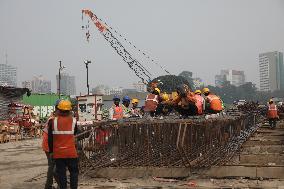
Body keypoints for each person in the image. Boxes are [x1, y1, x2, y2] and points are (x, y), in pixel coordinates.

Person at [48, 100, 79, 189]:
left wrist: (51, 152)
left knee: (61, 174)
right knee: (74, 173)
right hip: (71, 153)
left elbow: (50, 139)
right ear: (69, 110)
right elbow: (75, 132)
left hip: (58, 153)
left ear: (59, 109)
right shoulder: (73, 121)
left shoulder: (53, 121)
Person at [42, 99, 60, 189]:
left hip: (47, 143)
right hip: (49, 144)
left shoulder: (53, 117)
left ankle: (49, 185)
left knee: (51, 165)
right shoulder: (53, 119)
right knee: (54, 167)